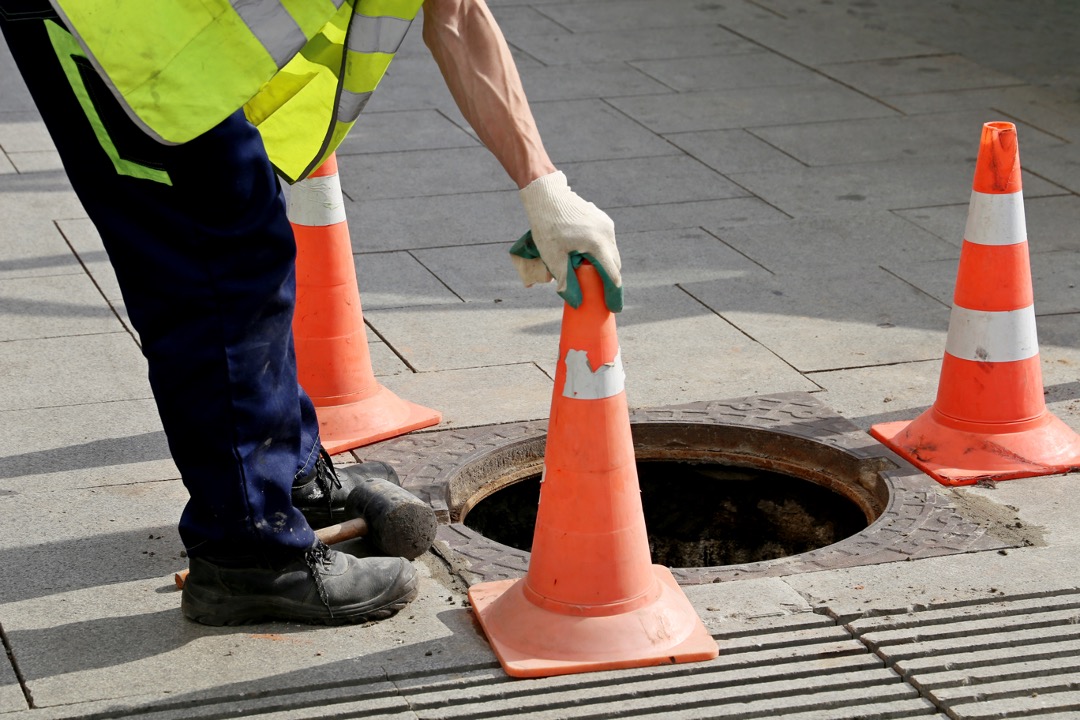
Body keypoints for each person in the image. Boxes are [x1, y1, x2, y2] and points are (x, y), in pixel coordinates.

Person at [0, 0, 622, 626]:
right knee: (211, 269)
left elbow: (455, 11)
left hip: (164, 36)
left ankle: (284, 476)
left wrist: (546, 188)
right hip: (110, 28)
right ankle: (251, 554)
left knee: (244, 248)